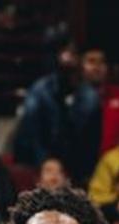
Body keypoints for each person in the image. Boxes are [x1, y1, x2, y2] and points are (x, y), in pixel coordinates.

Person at [13, 45, 101, 184]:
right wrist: (45, 165)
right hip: (42, 160)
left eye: (72, 70)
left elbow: (90, 140)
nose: (69, 75)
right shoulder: (40, 89)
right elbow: (31, 131)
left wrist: (78, 173)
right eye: (65, 70)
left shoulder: (90, 97)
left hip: (76, 166)